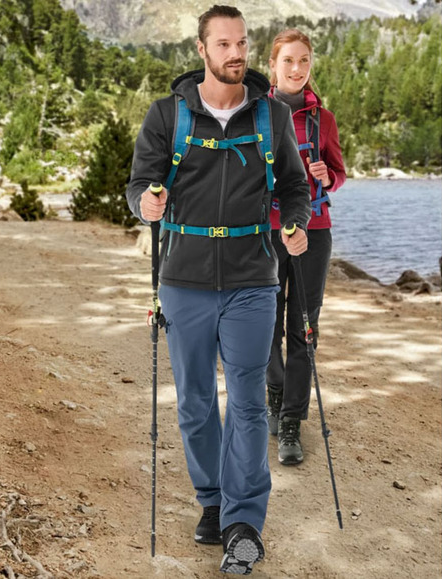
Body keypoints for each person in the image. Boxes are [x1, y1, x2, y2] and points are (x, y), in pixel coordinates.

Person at [126, 5, 311, 575]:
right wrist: (145, 203)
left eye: (242, 43)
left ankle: (243, 520)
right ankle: (211, 501)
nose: (236, 53)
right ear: (202, 51)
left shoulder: (271, 117)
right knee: (197, 404)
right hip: (183, 281)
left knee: (249, 402)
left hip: (254, 280)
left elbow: (295, 187)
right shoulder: (168, 116)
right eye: (224, 44)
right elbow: (137, 185)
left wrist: (296, 223)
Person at [265, 29, 347, 466]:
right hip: (265, 231)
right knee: (262, 323)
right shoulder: (256, 112)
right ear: (274, 65)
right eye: (288, 61)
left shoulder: (325, 119)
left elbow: (339, 172)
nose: (297, 69)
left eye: (304, 61)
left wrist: (326, 177)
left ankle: (292, 419)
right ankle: (274, 388)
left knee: (303, 326)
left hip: (314, 231)